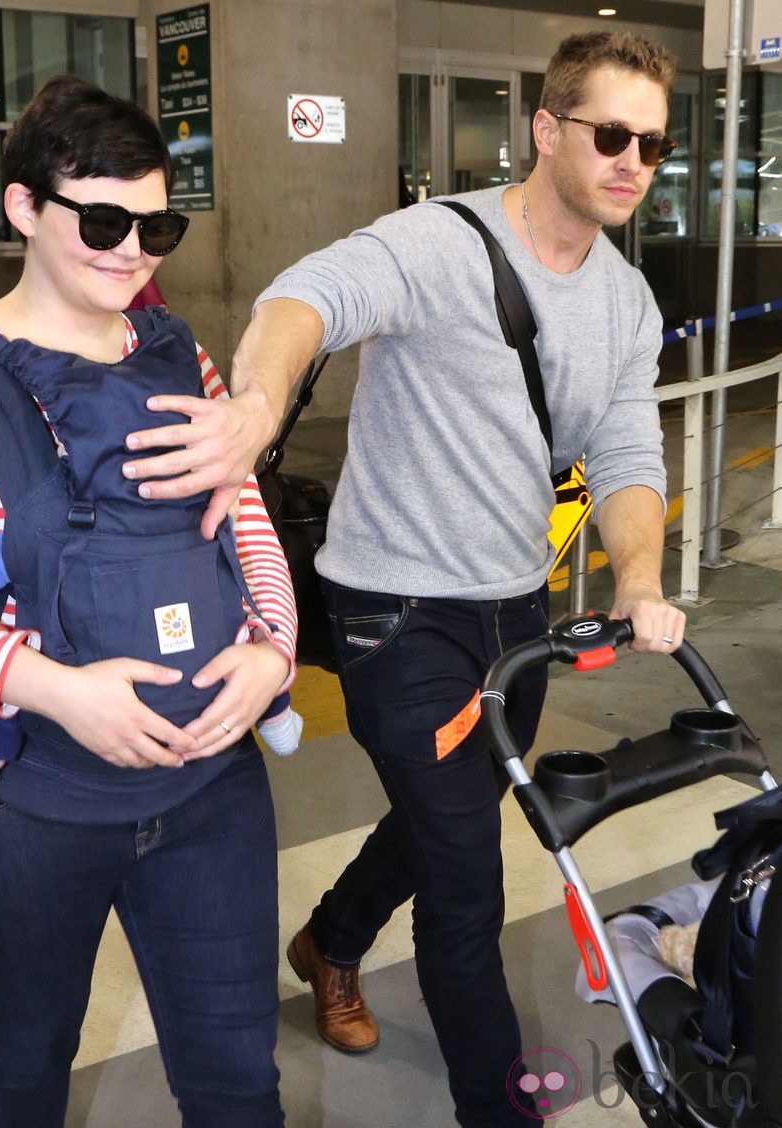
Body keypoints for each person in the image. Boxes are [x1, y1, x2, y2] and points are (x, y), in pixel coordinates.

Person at [118, 30, 689, 1127]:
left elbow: (623, 451)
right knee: (466, 880)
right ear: (544, 130)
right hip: (394, 607)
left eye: (652, 144)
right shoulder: (441, 243)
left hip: (514, 601)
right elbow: (305, 299)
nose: (630, 162)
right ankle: (495, 1106)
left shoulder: (621, 300)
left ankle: (331, 939)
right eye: (609, 134)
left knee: (458, 808)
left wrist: (637, 575)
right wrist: (253, 405)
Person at [0, 75, 295, 1127]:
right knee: (31, 1050)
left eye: (156, 224)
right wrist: (53, 689)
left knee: (239, 1073)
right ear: (23, 208)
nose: (132, 248)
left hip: (208, 786)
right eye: (102, 219)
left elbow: (241, 523)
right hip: (26, 804)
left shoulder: (174, 352)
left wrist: (272, 650)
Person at [0, 529, 302, 811]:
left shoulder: (50, 501)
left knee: (18, 647)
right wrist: (273, 658)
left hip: (65, 718)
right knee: (227, 629)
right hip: (193, 667)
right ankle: (277, 714)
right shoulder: (199, 463)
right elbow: (243, 542)